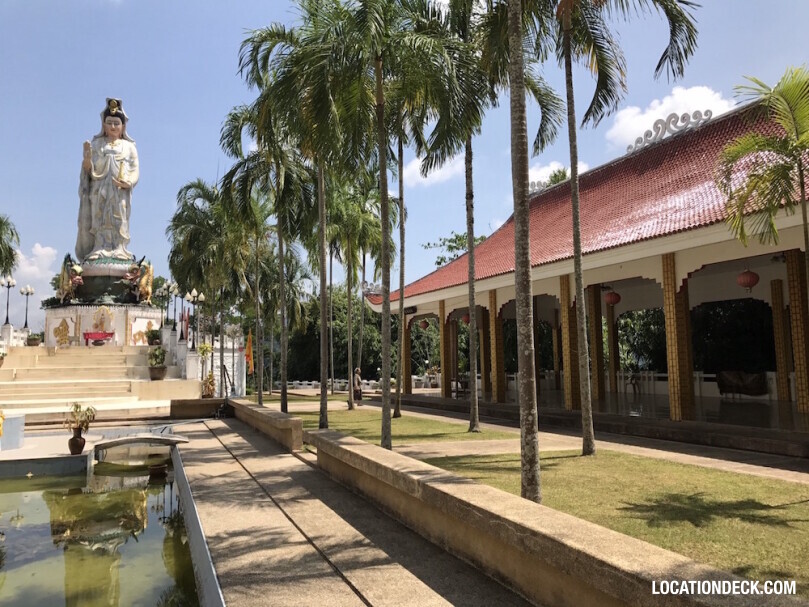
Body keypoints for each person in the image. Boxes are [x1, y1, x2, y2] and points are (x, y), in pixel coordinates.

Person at [76, 98, 140, 262]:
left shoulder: (129, 146)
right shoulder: (97, 144)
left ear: (123, 126)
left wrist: (128, 182)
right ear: (103, 125)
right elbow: (89, 171)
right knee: (98, 216)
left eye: (116, 123)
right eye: (109, 123)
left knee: (119, 215)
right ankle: (99, 246)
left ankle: (119, 247)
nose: (113, 127)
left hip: (120, 191)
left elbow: (134, 169)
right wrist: (87, 160)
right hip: (99, 188)